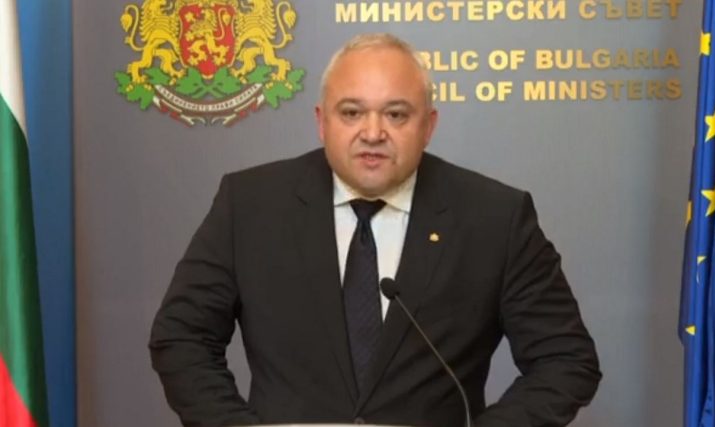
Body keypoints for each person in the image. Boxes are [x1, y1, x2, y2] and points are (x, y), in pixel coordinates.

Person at [150, 33, 601, 427]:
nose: (372, 132)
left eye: (396, 115)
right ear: (321, 121)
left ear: (429, 125)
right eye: (351, 112)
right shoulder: (250, 205)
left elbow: (565, 359)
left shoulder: (495, 217)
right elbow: (182, 337)